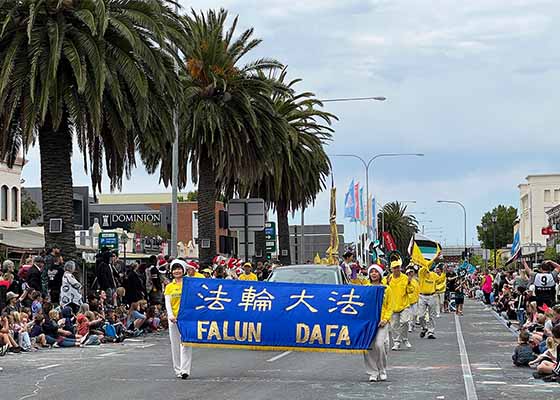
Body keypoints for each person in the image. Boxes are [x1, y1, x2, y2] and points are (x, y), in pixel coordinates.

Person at [363, 264, 393, 382]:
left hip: (382, 322)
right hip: (368, 321)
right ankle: (373, 372)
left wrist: (385, 319)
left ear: (380, 274)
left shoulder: (386, 289)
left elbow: (390, 306)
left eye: (376, 272)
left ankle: (382, 369)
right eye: (372, 272)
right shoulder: (366, 288)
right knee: (368, 347)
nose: (374, 274)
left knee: (379, 345)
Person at [164, 259, 192, 379]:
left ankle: (185, 370)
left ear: (183, 270)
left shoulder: (189, 284)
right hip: (174, 319)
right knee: (175, 345)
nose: (177, 271)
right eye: (174, 269)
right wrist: (170, 315)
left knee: (186, 343)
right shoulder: (169, 287)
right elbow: (168, 303)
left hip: (186, 319)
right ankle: (178, 369)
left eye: (179, 268)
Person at [385, 260, 413, 350]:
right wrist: (386, 283)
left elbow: (410, 291)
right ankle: (396, 343)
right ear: (391, 269)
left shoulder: (405, 277)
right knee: (394, 326)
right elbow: (384, 290)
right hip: (393, 306)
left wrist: (409, 282)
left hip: (404, 305)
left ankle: (405, 339)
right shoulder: (388, 279)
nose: (396, 269)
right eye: (394, 268)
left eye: (398, 267)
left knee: (405, 322)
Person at [417, 262, 446, 339]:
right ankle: (424, 328)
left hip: (432, 296)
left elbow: (440, 280)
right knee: (421, 316)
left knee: (431, 316)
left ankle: (431, 332)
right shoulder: (421, 273)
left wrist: (444, 272)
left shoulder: (433, 275)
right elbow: (425, 265)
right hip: (422, 296)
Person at [406, 268, 419, 332]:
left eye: (411, 272)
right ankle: (409, 327)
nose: (410, 274)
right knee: (410, 315)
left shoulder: (416, 281)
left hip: (415, 300)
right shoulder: (405, 280)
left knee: (415, 314)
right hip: (408, 301)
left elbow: (417, 290)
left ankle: (413, 325)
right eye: (409, 273)